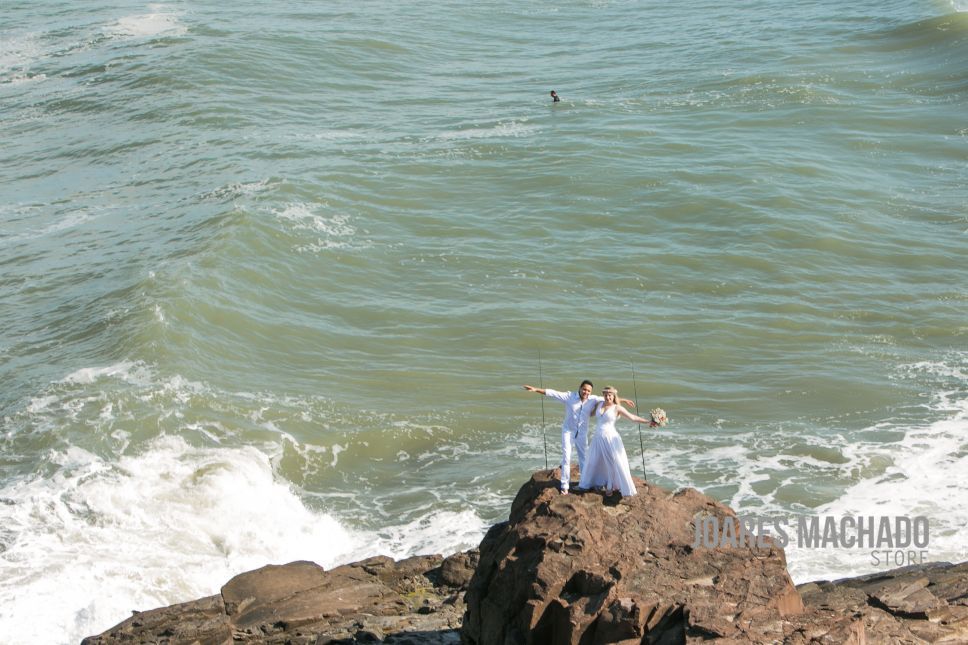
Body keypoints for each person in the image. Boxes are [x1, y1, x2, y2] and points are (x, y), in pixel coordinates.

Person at [522, 381, 634, 494]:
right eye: (584, 389)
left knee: (584, 459)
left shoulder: (593, 399)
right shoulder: (569, 396)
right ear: (580, 388)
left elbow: (609, 398)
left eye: (589, 391)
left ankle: (585, 483)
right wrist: (536, 389)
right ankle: (565, 486)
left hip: (582, 433)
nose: (586, 392)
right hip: (568, 432)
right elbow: (553, 393)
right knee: (566, 458)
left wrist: (624, 400)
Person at [578, 386, 650, 498]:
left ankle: (610, 486)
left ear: (613, 396)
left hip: (610, 438)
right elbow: (587, 412)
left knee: (612, 463)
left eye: (610, 395)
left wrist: (649, 421)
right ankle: (589, 483)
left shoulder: (617, 408)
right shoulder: (599, 404)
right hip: (597, 437)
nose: (607, 397)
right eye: (606, 395)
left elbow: (633, 418)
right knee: (592, 461)